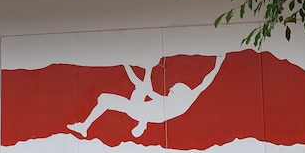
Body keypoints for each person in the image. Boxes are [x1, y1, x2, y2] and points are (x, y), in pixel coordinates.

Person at [67, 54, 225, 138]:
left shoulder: (167, 101)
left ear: (176, 91)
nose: (169, 89)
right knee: (131, 92)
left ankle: (85, 127)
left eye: (171, 89)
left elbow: (145, 88)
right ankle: (85, 127)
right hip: (148, 114)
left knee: (105, 99)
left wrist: (146, 69)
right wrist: (218, 63)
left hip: (141, 111)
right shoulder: (188, 97)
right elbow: (206, 82)